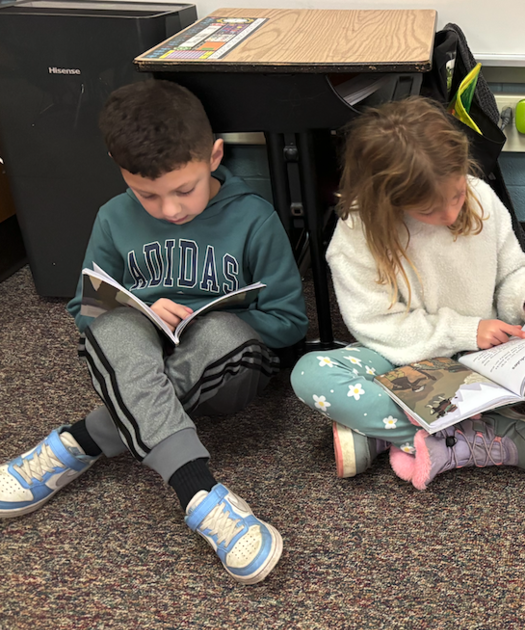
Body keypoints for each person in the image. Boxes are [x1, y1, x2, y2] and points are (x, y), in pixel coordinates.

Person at [0, 80, 308, 584]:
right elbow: (85, 309)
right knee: (117, 326)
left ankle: (83, 439)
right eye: (147, 194)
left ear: (214, 156)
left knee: (221, 335)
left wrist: (200, 315)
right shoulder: (113, 217)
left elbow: (290, 321)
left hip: (223, 365)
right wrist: (143, 311)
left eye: (184, 190)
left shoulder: (254, 217)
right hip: (141, 354)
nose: (170, 209)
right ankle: (200, 493)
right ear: (120, 171)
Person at [291, 96, 525, 490]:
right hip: (399, 362)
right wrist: (464, 330)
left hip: (476, 358)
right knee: (310, 375)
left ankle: (387, 432)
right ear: (386, 200)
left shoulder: (480, 196)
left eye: (456, 196)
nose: (451, 215)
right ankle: (475, 435)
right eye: (429, 211)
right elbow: (377, 325)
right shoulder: (357, 234)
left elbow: (513, 269)